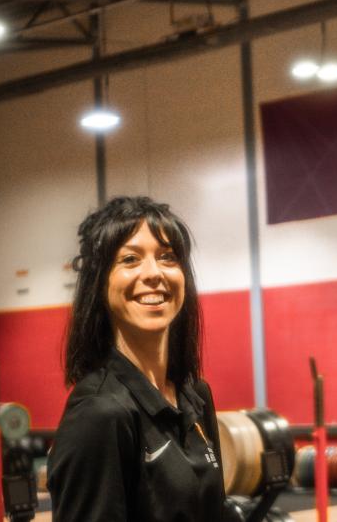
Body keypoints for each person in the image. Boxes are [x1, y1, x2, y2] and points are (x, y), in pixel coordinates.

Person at [47, 196, 225, 522]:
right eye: (130, 259)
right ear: (100, 282)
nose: (153, 273)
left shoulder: (196, 394)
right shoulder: (99, 414)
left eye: (168, 257)